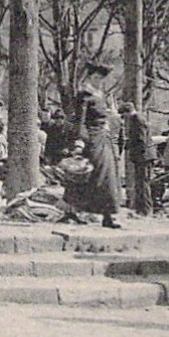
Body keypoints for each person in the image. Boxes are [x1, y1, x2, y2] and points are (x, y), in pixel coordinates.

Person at [66, 62, 122, 229]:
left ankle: (107, 215)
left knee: (107, 177)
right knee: (82, 173)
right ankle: (71, 212)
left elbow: (107, 118)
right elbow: (80, 120)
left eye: (101, 78)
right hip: (90, 139)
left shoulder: (102, 95)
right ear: (89, 77)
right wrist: (79, 141)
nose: (98, 81)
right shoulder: (84, 95)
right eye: (95, 77)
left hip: (103, 139)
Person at [120, 101, 155, 216]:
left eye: (124, 115)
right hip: (141, 156)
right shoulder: (137, 119)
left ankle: (146, 210)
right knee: (140, 184)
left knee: (143, 183)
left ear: (127, 112)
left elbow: (141, 140)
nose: (124, 119)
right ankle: (141, 209)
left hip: (143, 157)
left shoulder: (137, 120)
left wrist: (130, 145)